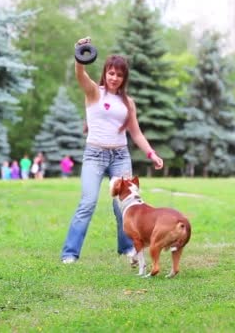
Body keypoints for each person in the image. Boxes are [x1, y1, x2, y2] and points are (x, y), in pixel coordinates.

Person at [61, 37, 163, 264]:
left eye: (119, 75)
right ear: (105, 73)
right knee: (87, 203)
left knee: (123, 207)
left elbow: (135, 133)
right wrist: (80, 52)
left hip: (120, 156)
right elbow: (80, 73)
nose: (114, 78)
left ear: (124, 78)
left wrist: (151, 153)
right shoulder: (93, 92)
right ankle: (70, 253)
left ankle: (127, 248)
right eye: (111, 73)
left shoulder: (128, 102)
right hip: (95, 154)